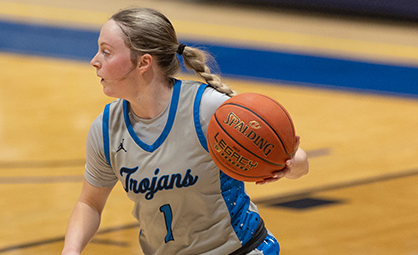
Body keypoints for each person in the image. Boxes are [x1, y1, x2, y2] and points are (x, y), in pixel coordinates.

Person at [62, 8, 310, 255]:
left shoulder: (206, 108)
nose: (94, 60)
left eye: (106, 52)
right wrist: (70, 251)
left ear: (144, 62)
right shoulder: (105, 129)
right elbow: (90, 203)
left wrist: (288, 164)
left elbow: (297, 163)